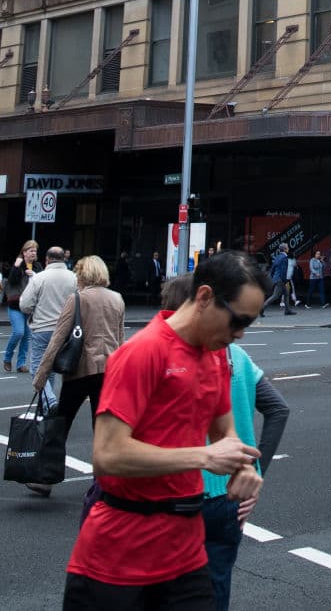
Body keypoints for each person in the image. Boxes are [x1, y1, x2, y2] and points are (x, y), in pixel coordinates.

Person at [62, 250, 267, 611]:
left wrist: (243, 468)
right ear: (204, 296)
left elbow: (226, 436)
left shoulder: (216, 356)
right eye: (237, 321)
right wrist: (203, 457)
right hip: (118, 555)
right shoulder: (143, 352)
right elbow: (107, 455)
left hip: (186, 553)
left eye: (248, 324)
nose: (239, 334)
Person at [162, 273, 291, 611]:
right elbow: (278, 409)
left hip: (179, 492)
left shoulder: (168, 356)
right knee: (216, 587)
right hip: (230, 495)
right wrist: (255, 471)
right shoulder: (237, 356)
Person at [27, 256, 126, 498]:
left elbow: (57, 339)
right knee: (101, 428)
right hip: (109, 371)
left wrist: (41, 375)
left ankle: (46, 478)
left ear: (83, 274)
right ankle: (102, 483)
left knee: (60, 424)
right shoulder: (117, 299)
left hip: (79, 370)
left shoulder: (77, 299)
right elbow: (120, 339)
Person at [20, 244, 77, 409]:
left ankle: (50, 402)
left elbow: (25, 305)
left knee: (37, 370)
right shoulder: (74, 278)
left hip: (42, 328)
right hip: (65, 330)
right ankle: (45, 408)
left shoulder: (39, 278)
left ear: (47, 259)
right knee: (50, 370)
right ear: (63, 258)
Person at [2, 238, 39, 373]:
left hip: (30, 307)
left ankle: (21, 364)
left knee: (26, 336)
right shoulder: (18, 264)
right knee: (19, 332)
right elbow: (12, 281)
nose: (33, 253)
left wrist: (34, 274)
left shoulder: (37, 266)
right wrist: (16, 267)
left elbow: (42, 282)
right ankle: (7, 358)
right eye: (31, 250)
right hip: (16, 305)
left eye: (35, 251)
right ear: (24, 252)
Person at [262, 242, 296, 315]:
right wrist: (285, 281)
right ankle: (262, 308)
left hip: (278, 279)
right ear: (285, 249)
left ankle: (287, 310)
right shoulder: (284, 258)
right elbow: (283, 271)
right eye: (287, 247)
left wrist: (273, 277)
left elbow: (273, 268)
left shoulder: (277, 257)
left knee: (287, 293)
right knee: (275, 296)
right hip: (281, 280)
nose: (288, 248)